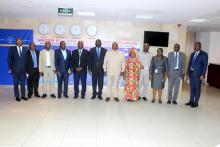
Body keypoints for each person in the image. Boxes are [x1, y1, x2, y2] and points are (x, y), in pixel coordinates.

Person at [185, 42, 208, 108]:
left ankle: (196, 103)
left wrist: (203, 74)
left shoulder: (204, 54)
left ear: (200, 46)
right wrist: (187, 73)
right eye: (195, 46)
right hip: (191, 74)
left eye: (197, 46)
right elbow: (189, 64)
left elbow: (205, 65)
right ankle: (191, 101)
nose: (196, 47)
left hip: (198, 75)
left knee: (197, 89)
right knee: (192, 88)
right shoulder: (192, 54)